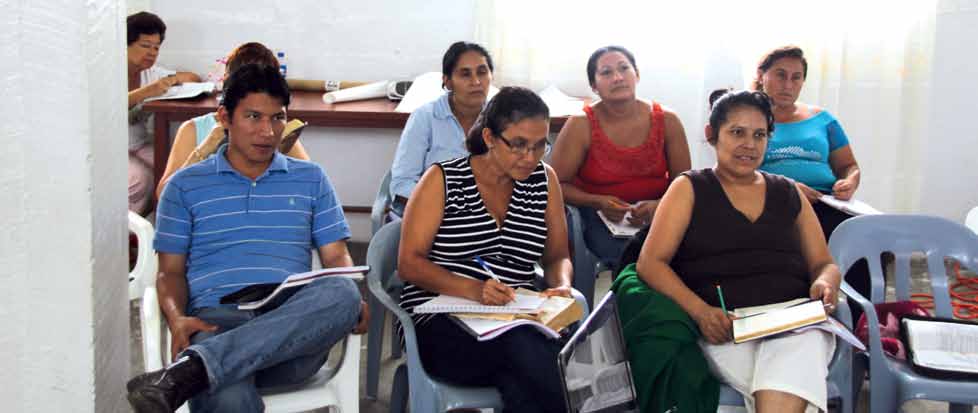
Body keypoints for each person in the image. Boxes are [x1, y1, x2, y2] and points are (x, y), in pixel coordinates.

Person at [126, 64, 368, 413]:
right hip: (216, 321)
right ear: (224, 117)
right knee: (227, 393)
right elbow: (170, 272)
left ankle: (191, 370)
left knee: (343, 291)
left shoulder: (311, 178)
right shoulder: (184, 186)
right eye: (253, 117)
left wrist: (349, 301)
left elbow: (335, 259)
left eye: (277, 118)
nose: (267, 132)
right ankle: (204, 366)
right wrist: (177, 318)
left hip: (292, 330)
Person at [631, 89, 841, 413]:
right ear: (712, 135)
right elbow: (650, 263)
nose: (749, 144)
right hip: (727, 327)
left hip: (796, 321)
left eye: (759, 135)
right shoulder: (689, 188)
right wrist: (701, 312)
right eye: (737, 132)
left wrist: (825, 282)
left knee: (795, 360)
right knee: (790, 386)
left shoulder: (788, 191)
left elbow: (824, 263)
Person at [398, 87, 573, 412]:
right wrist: (474, 289)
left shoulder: (543, 180)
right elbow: (409, 264)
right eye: (519, 145)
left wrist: (561, 284)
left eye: (540, 146)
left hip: (517, 314)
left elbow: (557, 255)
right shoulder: (444, 179)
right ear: (490, 137)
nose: (530, 157)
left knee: (526, 372)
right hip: (440, 318)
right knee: (539, 358)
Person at [752, 45, 869, 314]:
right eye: (780, 75)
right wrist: (787, 186)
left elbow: (848, 165)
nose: (788, 84)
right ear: (762, 75)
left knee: (861, 238)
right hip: (773, 200)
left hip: (825, 201)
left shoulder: (823, 119)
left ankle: (858, 318)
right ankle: (802, 313)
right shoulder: (750, 117)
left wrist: (850, 181)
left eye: (796, 77)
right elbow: (736, 169)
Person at [550, 45, 691, 265]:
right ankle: (631, 297)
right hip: (598, 216)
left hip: (658, 212)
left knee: (688, 251)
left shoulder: (668, 120)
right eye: (606, 72)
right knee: (631, 257)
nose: (617, 77)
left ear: (637, 75)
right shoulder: (580, 124)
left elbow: (685, 183)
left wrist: (658, 205)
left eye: (624, 68)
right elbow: (556, 184)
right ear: (594, 86)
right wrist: (597, 201)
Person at [155, 42, 310, 199]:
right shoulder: (194, 129)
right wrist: (204, 150)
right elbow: (164, 196)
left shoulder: (275, 130)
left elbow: (310, 186)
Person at [388, 41, 494, 215]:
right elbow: (402, 183)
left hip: (487, 215)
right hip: (430, 212)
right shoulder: (425, 118)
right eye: (465, 74)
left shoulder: (502, 120)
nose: (476, 81)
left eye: (482, 72)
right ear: (448, 81)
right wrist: (444, 208)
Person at [126, 11, 200, 215]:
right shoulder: (109, 70)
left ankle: (157, 229)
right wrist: (148, 91)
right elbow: (109, 104)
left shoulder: (150, 73)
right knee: (140, 180)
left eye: (156, 47)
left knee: (178, 171)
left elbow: (192, 77)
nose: (152, 53)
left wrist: (173, 80)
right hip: (112, 149)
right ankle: (127, 236)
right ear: (125, 45)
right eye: (145, 46)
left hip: (139, 144)